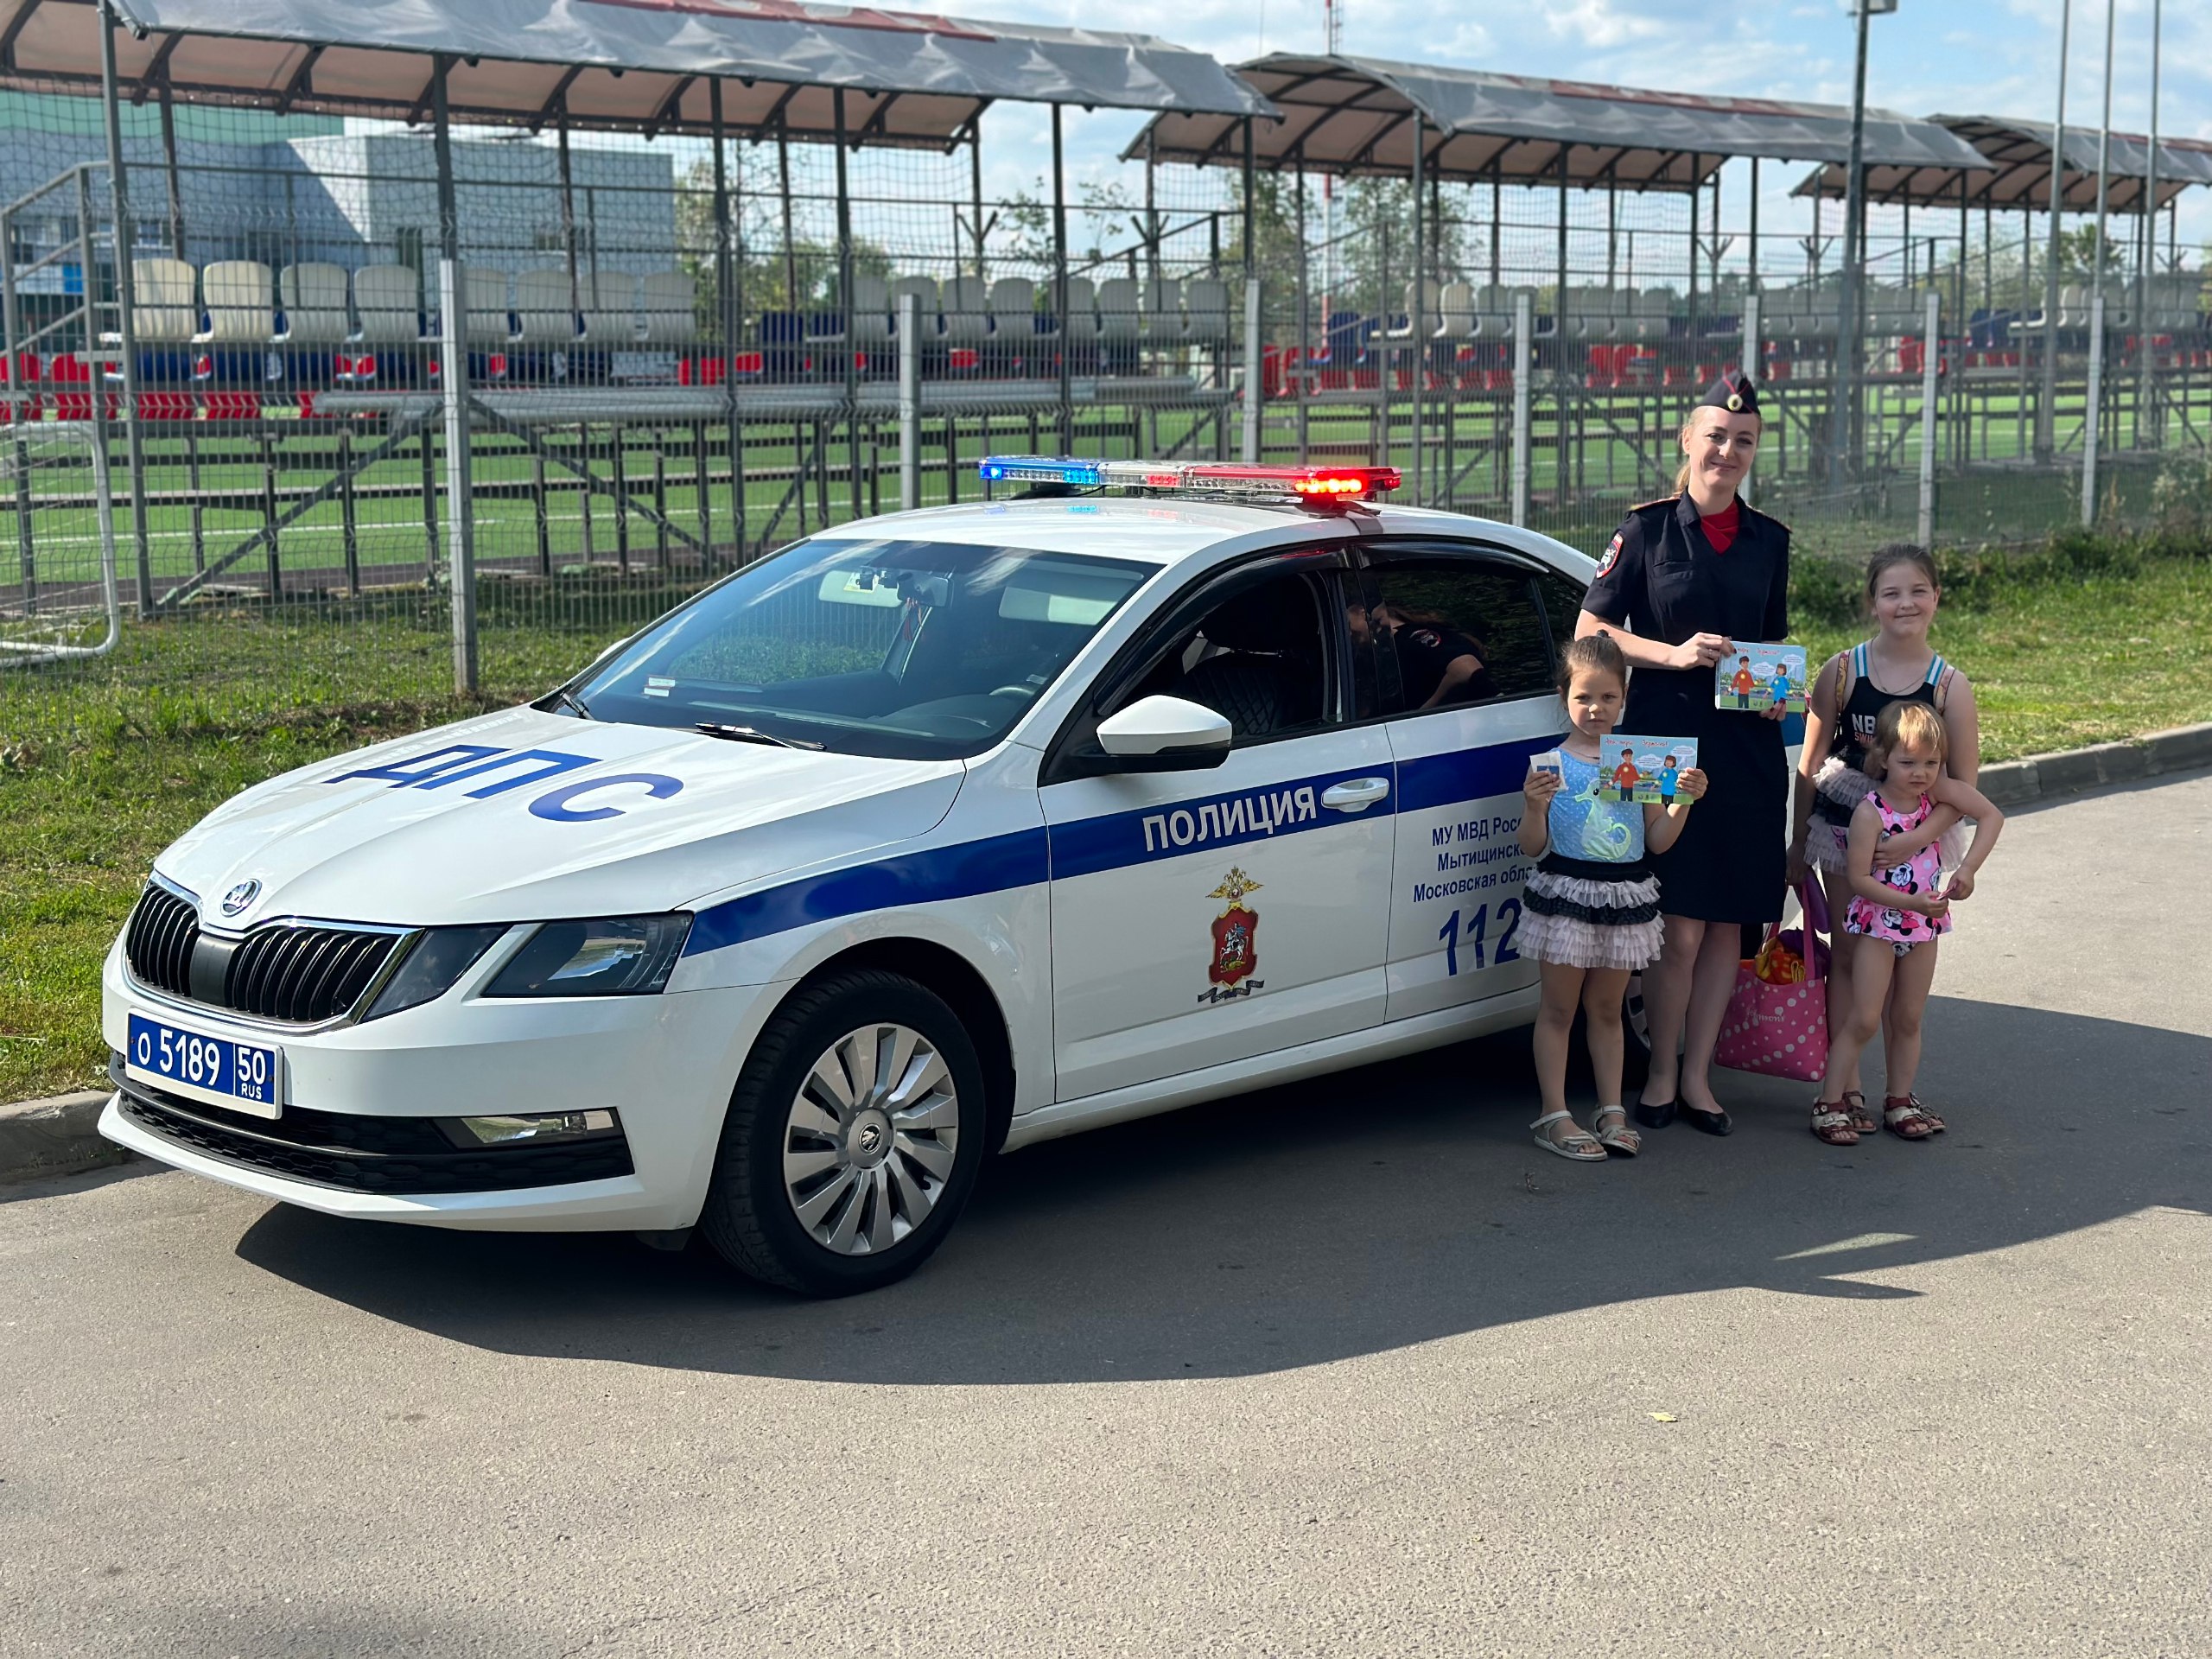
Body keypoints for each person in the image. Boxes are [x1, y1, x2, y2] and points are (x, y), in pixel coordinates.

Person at [1577, 369, 1789, 1138]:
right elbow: (1591, 630)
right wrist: (1668, 654)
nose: (1728, 452)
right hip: (1663, 742)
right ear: (1687, 440)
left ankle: (1699, 1077)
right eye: (1717, 437)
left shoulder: (1771, 540)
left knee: (1727, 926)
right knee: (1679, 928)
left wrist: (1777, 690)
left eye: (1744, 442)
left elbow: (1772, 638)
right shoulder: (1646, 531)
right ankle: (1661, 1073)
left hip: (1747, 747)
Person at [1789, 545, 1982, 1135]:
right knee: (1850, 952)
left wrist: (1914, 840)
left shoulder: (1950, 686)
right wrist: (1796, 846)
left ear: (1936, 598)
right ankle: (1844, 1087)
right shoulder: (1842, 671)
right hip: (1843, 829)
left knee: (1903, 975)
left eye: (1918, 591)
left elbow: (1965, 789)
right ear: (1872, 601)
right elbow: (1810, 764)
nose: (1906, 603)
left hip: (1917, 841)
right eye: (1892, 593)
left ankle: (1899, 1093)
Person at [1517, 634, 1707, 1162]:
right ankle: (1553, 1114)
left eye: (1608, 697)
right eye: (1584, 697)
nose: (1596, 708)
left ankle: (1611, 1110)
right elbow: (1532, 846)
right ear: (1564, 697)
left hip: (1625, 897)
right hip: (1566, 895)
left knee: (1606, 1008)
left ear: (1624, 698)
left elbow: (1657, 841)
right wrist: (1532, 808)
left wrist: (1682, 801)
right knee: (1559, 1008)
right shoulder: (1549, 764)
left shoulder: (1642, 762)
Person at [1809, 702, 2003, 1144]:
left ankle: (1900, 1099)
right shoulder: (1870, 812)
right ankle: (1830, 1101)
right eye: (1908, 762)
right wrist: (1911, 901)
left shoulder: (1936, 798)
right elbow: (1859, 880)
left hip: (1922, 929)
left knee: (1909, 1017)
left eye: (1931, 763)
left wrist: (1967, 870)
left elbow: (1992, 816)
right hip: (1878, 926)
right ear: (1883, 758)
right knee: (1864, 1018)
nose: (1921, 773)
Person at [1356, 601, 1497, 709]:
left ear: (1393, 616)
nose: (1375, 629)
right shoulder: (1436, 633)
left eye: (1377, 622)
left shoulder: (1408, 637)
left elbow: (1465, 670)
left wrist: (1422, 714)